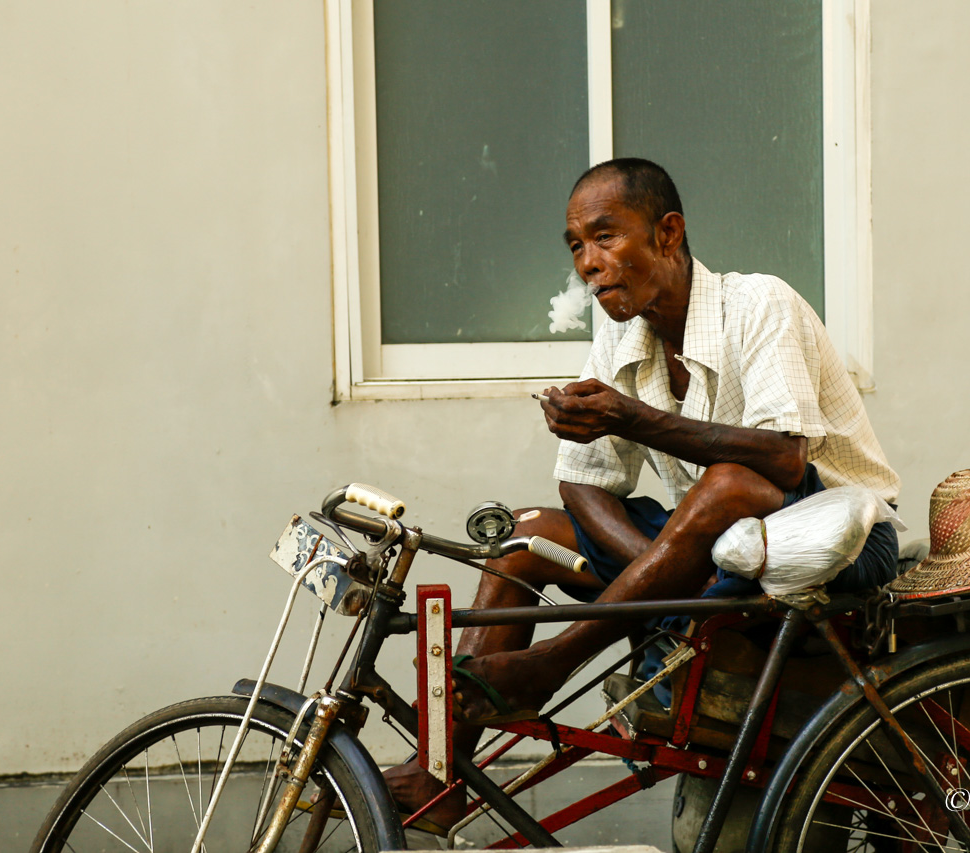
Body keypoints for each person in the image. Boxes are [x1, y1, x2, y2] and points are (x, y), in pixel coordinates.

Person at [384, 157, 901, 832]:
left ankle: (551, 662)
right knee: (521, 538)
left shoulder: (759, 304)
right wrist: (658, 565)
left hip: (836, 529)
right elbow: (581, 478)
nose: (588, 264)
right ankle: (439, 771)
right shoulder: (623, 334)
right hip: (715, 539)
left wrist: (629, 418)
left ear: (666, 234)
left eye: (605, 237)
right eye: (576, 247)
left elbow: (782, 457)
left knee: (729, 483)